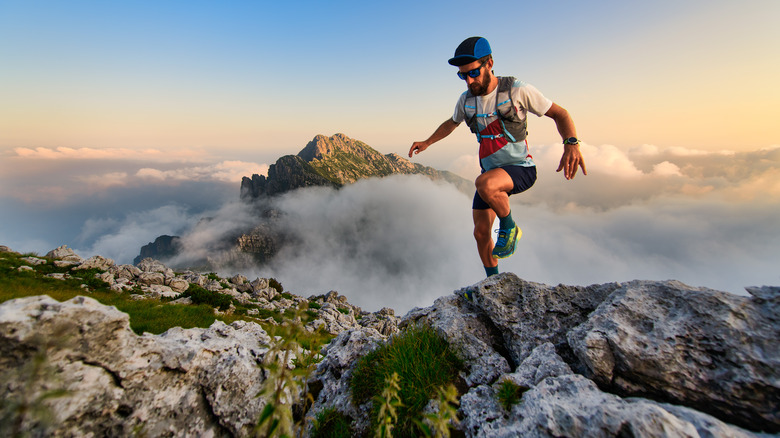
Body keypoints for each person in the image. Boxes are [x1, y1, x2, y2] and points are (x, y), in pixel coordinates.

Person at [409, 36, 586, 279]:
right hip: (491, 175)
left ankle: (509, 226)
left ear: (489, 63)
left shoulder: (517, 90)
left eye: (474, 73)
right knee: (481, 233)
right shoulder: (466, 100)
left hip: (521, 169)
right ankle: (493, 281)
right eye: (463, 75)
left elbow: (560, 114)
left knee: (484, 184)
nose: (469, 80)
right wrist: (428, 142)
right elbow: (452, 123)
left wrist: (571, 144)